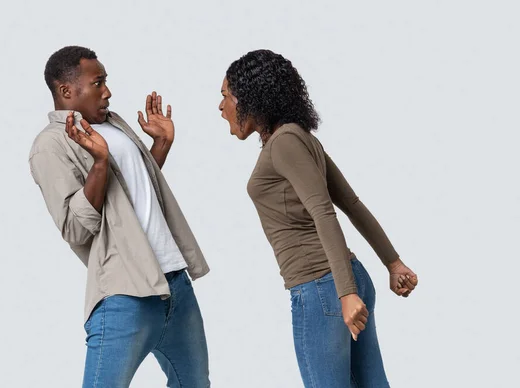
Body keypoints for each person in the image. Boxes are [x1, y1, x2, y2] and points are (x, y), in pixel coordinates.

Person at [218, 49, 418, 387]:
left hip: (322, 289)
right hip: (342, 281)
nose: (221, 108)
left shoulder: (285, 143)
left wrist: (345, 293)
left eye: (225, 96)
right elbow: (351, 204)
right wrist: (392, 263)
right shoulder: (299, 138)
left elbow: (324, 211)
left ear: (251, 97)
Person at [29, 46, 210, 388]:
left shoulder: (113, 124)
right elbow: (76, 229)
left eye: (105, 82)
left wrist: (160, 146)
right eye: (98, 83)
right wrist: (98, 163)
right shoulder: (50, 145)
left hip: (175, 285)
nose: (107, 92)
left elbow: (130, 198)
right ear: (67, 91)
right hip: (126, 294)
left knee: (195, 384)